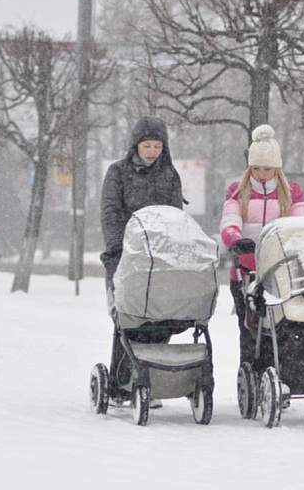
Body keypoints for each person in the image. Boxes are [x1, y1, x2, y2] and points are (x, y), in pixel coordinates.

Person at [99, 115, 184, 408]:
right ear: (136, 145)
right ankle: (121, 384)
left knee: (161, 316)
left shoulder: (170, 175)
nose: (152, 151)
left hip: (160, 258)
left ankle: (151, 379)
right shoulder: (118, 173)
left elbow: (175, 215)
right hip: (125, 256)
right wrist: (117, 245)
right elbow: (110, 211)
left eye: (157, 146)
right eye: (147, 145)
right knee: (129, 318)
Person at [220, 124, 304, 365]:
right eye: (256, 168)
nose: (261, 173)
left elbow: (299, 223)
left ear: (277, 168)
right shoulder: (238, 192)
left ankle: (279, 371)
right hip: (245, 272)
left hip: (280, 274)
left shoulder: (291, 193)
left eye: (267, 168)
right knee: (250, 328)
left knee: (283, 326)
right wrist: (236, 239)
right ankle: (250, 371)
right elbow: (229, 221)